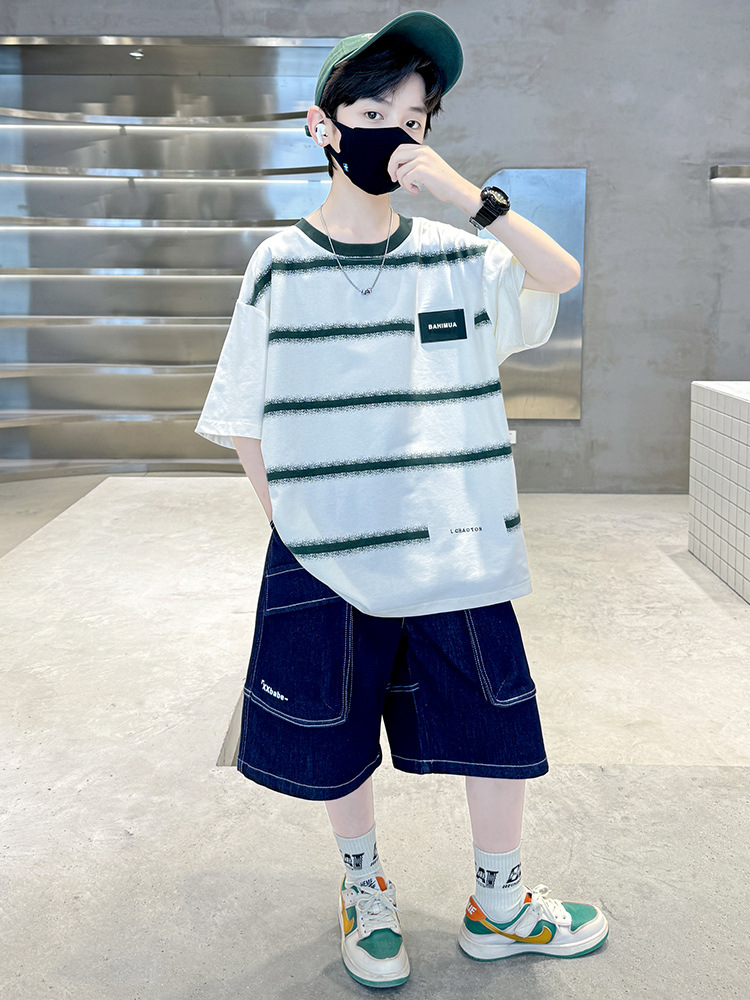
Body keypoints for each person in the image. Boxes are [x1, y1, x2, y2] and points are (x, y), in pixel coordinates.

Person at [195, 10, 608, 988]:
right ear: (324, 125)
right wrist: (298, 526)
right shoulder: (279, 264)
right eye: (373, 112)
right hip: (327, 547)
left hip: (457, 546)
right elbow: (244, 416)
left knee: (495, 725)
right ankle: (363, 887)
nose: (394, 133)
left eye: (414, 119)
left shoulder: (458, 255)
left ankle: (500, 905)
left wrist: (471, 199)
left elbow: (560, 274)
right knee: (336, 738)